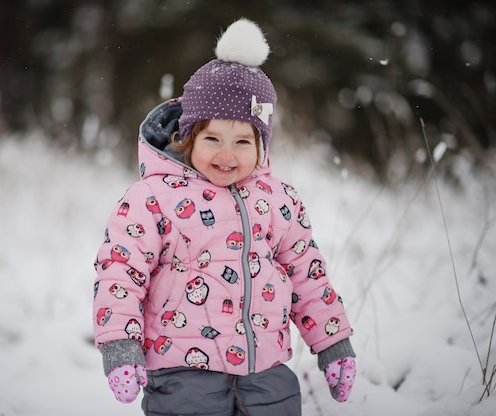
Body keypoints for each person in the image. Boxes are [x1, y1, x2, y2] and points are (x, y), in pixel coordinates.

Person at [92, 18, 356, 416]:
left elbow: (307, 274)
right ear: (188, 137)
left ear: (262, 146)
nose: (226, 155)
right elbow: (120, 270)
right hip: (182, 374)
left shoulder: (278, 200)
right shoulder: (153, 197)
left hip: (266, 375)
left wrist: (333, 343)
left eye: (242, 141)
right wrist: (120, 345)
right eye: (212, 138)